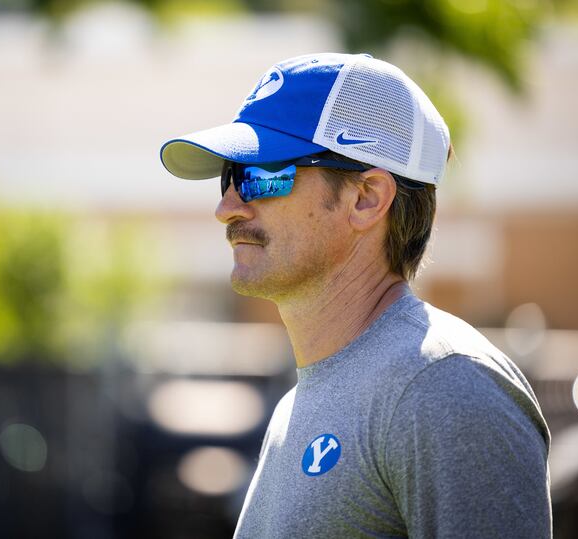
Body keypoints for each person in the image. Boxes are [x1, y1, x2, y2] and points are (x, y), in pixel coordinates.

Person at [159, 53, 551, 538]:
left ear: (367, 198)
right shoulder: (302, 402)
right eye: (230, 176)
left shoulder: (443, 386)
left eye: (261, 173)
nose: (227, 207)